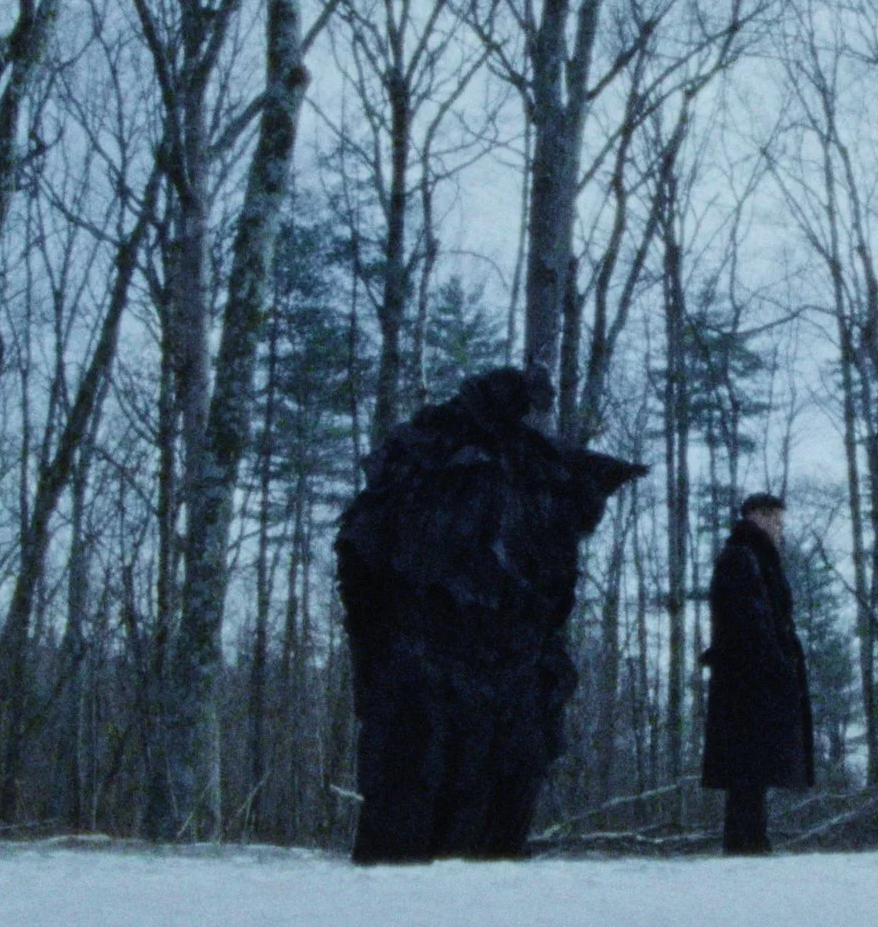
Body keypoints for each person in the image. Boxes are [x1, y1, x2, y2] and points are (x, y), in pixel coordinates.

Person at [336, 368, 647, 863]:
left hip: (498, 659)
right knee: (422, 786)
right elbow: (364, 560)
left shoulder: (522, 461)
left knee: (486, 783)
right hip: (433, 658)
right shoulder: (430, 452)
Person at [700, 493, 813, 855]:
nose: (780, 529)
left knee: (752, 767)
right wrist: (776, 662)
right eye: (776, 521)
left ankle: (750, 840)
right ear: (757, 517)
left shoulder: (754, 557)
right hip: (749, 679)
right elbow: (750, 619)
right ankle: (746, 843)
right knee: (747, 765)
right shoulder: (742, 558)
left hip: (752, 676)